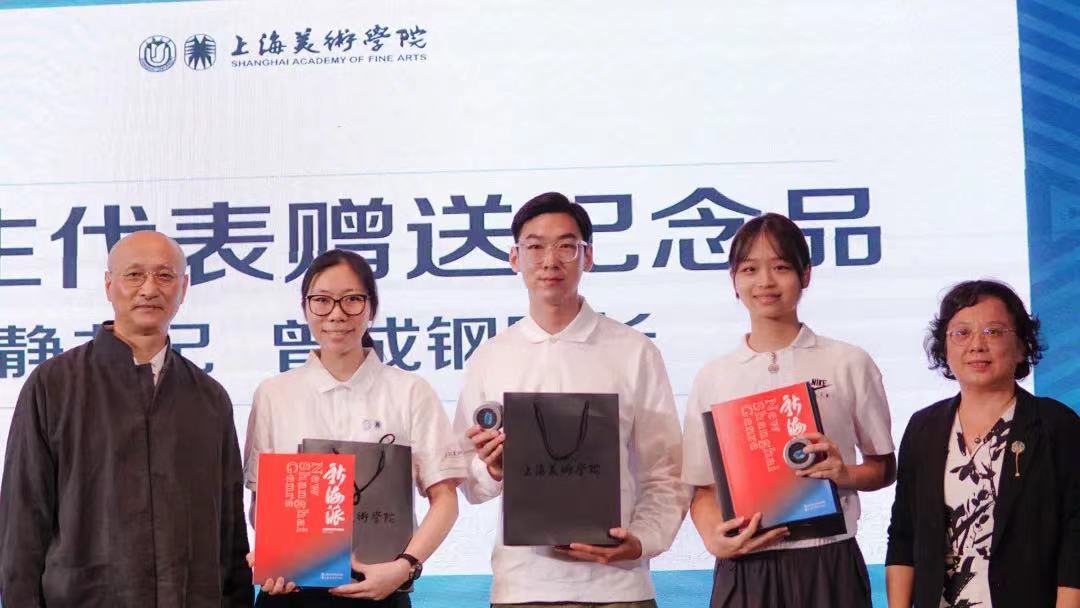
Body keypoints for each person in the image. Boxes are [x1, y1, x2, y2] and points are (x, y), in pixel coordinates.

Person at [454, 192, 686, 608]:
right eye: (535, 246)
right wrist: (494, 468)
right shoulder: (491, 357)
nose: (550, 260)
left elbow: (665, 470)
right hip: (522, 588)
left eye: (566, 246)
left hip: (618, 587)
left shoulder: (633, 351)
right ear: (514, 258)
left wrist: (642, 541)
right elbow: (469, 482)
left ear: (588, 256)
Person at [0, 230, 253, 606]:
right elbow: (22, 518)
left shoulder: (209, 398)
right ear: (108, 284)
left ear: (184, 288)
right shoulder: (54, 385)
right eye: (134, 274)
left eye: (164, 275)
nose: (149, 289)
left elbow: (230, 530)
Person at [681, 212, 896, 607]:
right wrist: (714, 538)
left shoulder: (847, 362)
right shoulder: (714, 376)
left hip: (828, 557)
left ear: (805, 274)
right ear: (734, 280)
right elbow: (703, 487)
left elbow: (883, 466)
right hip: (746, 566)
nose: (765, 281)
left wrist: (843, 474)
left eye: (780, 267)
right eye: (750, 269)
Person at [244, 249, 464, 608]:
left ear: (371, 308)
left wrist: (405, 567)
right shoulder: (273, 394)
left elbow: (446, 499)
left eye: (352, 300)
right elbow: (261, 503)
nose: (336, 314)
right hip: (293, 593)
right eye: (321, 301)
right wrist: (276, 557)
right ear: (305, 308)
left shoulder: (410, 391)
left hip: (383, 589)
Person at [886, 280, 1080, 607]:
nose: (977, 345)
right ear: (944, 348)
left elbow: (1075, 533)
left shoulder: (1055, 424)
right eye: (961, 333)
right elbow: (903, 534)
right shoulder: (924, 427)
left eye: (993, 331)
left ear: (1021, 346)